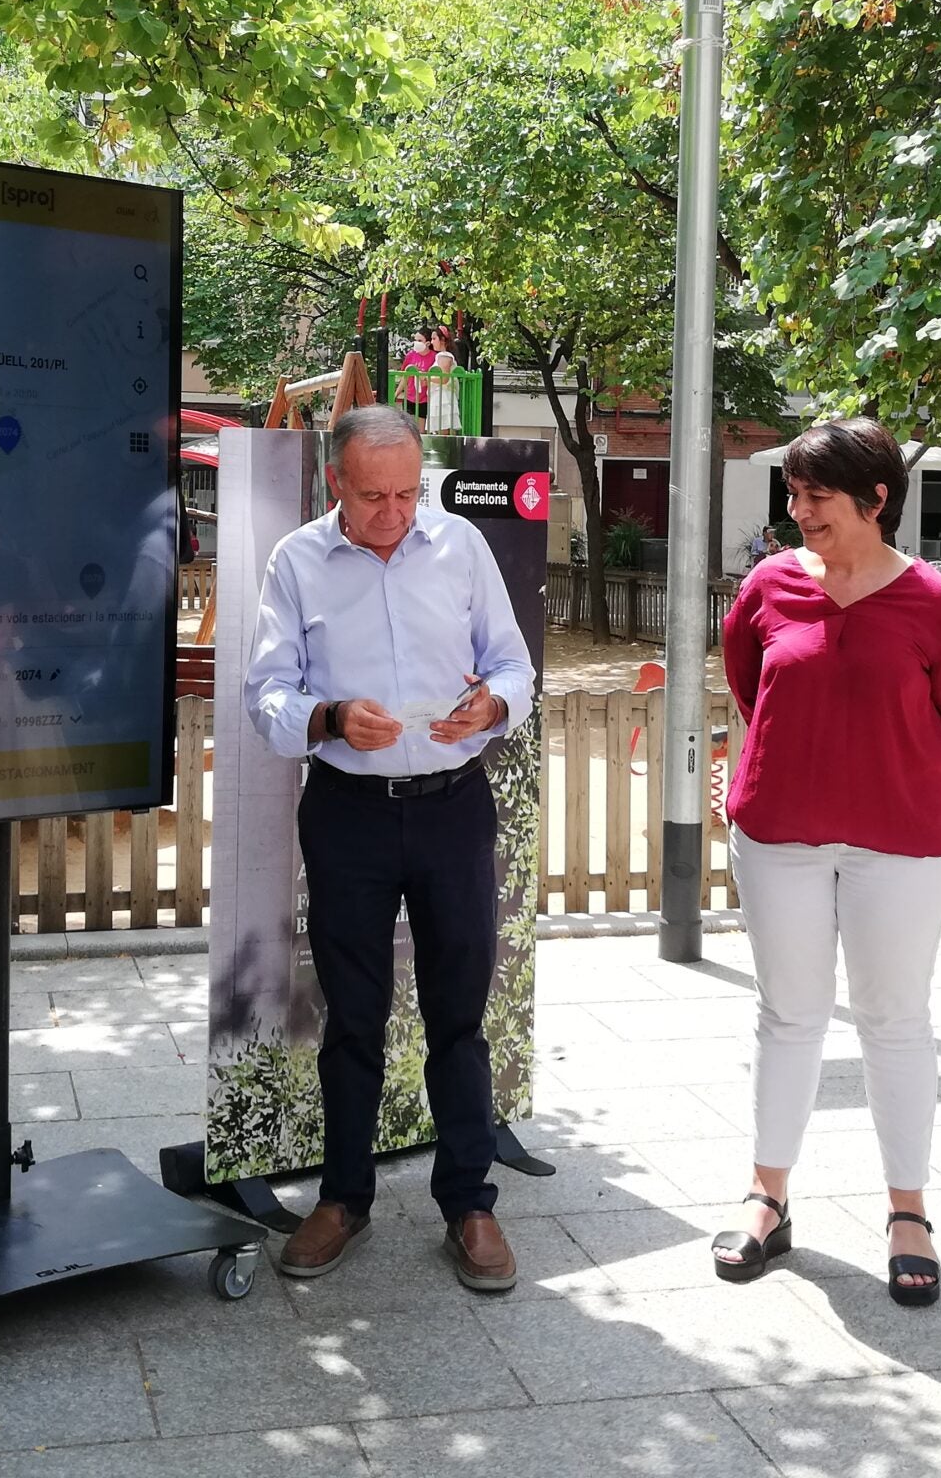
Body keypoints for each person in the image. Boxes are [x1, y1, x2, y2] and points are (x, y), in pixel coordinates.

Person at [244, 404, 538, 1292]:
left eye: (410, 492)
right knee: (354, 1014)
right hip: (349, 813)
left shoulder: (461, 548)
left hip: (453, 808)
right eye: (375, 497)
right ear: (337, 481)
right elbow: (266, 697)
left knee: (460, 1013)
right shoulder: (296, 560)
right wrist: (329, 718)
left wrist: (492, 706)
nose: (396, 513)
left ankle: (469, 1203)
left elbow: (517, 667)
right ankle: (343, 1197)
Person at [709, 418, 941, 1307]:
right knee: (787, 1016)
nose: (797, 512)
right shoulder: (767, 585)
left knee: (894, 1020)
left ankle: (909, 1214)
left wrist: (880, 772)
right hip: (778, 837)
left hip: (901, 843)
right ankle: (768, 1197)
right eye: (791, 494)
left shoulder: (933, 602)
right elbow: (752, 686)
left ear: (876, 500)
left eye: (815, 496)